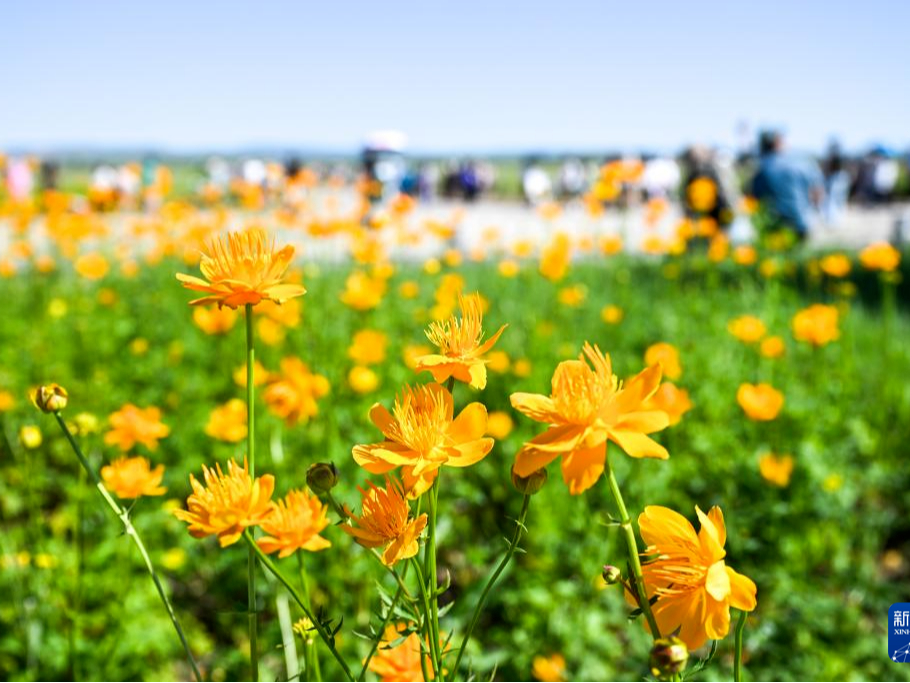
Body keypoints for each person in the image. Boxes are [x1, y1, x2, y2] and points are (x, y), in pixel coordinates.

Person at [749, 131, 824, 240]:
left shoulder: (762, 168)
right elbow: (817, 192)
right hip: (801, 222)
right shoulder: (804, 162)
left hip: (774, 225)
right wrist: (814, 212)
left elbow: (755, 198)